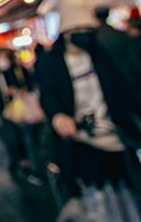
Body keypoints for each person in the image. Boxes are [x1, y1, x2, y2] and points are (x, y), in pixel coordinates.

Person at [39, 28, 141, 199]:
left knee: (126, 191)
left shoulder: (100, 54)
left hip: (115, 136)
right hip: (81, 142)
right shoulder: (52, 62)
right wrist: (57, 115)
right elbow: (48, 95)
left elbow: (124, 89)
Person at [0, 48, 43, 183]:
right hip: (7, 113)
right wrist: (3, 94)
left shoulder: (19, 70)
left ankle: (30, 168)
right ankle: (17, 166)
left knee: (29, 140)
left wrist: (20, 90)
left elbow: (31, 84)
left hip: (25, 112)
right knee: (13, 141)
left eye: (4, 56)